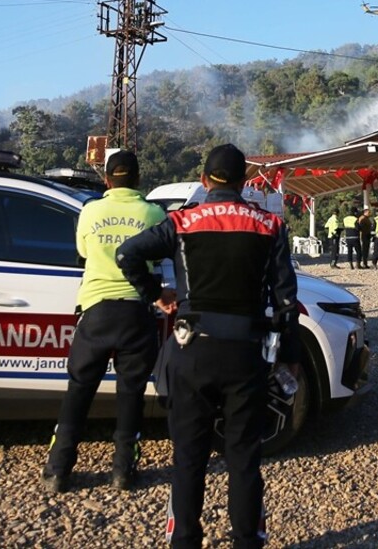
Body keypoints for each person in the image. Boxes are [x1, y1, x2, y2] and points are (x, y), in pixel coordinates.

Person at [115, 144, 300, 549]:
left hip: (191, 349)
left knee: (188, 457)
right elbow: (287, 301)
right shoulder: (269, 225)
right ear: (245, 183)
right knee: (244, 458)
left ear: (204, 180)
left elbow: (127, 253)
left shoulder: (181, 221)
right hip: (245, 353)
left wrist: (156, 295)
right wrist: (289, 359)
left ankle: (184, 540)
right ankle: (247, 540)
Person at [43, 149, 171, 494]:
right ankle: (123, 472)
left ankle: (58, 470)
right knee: (130, 393)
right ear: (139, 179)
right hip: (135, 312)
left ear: (106, 180)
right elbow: (161, 253)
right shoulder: (154, 212)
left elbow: (84, 252)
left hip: (96, 310)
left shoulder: (90, 211)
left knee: (79, 389)